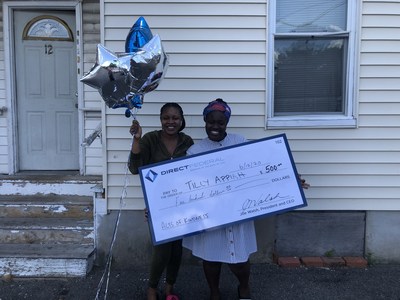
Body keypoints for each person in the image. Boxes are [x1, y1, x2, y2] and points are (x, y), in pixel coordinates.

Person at [182, 98, 309, 300]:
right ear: (205, 121)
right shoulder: (195, 151)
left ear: (227, 123)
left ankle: (244, 286)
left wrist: (291, 179)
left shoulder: (239, 142)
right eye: (211, 122)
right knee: (211, 258)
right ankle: (214, 292)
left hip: (237, 212)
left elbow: (262, 168)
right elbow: (184, 186)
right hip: (211, 214)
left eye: (220, 122)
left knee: (239, 259)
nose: (215, 126)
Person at [128, 102, 194, 300]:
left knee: (176, 249)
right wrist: (137, 140)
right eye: (166, 118)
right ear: (161, 119)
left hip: (182, 203)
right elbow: (135, 168)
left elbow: (194, 172)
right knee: (163, 248)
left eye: (175, 118)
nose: (170, 122)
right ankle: (151, 288)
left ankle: (169, 288)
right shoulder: (151, 139)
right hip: (159, 204)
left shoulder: (187, 142)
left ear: (182, 120)